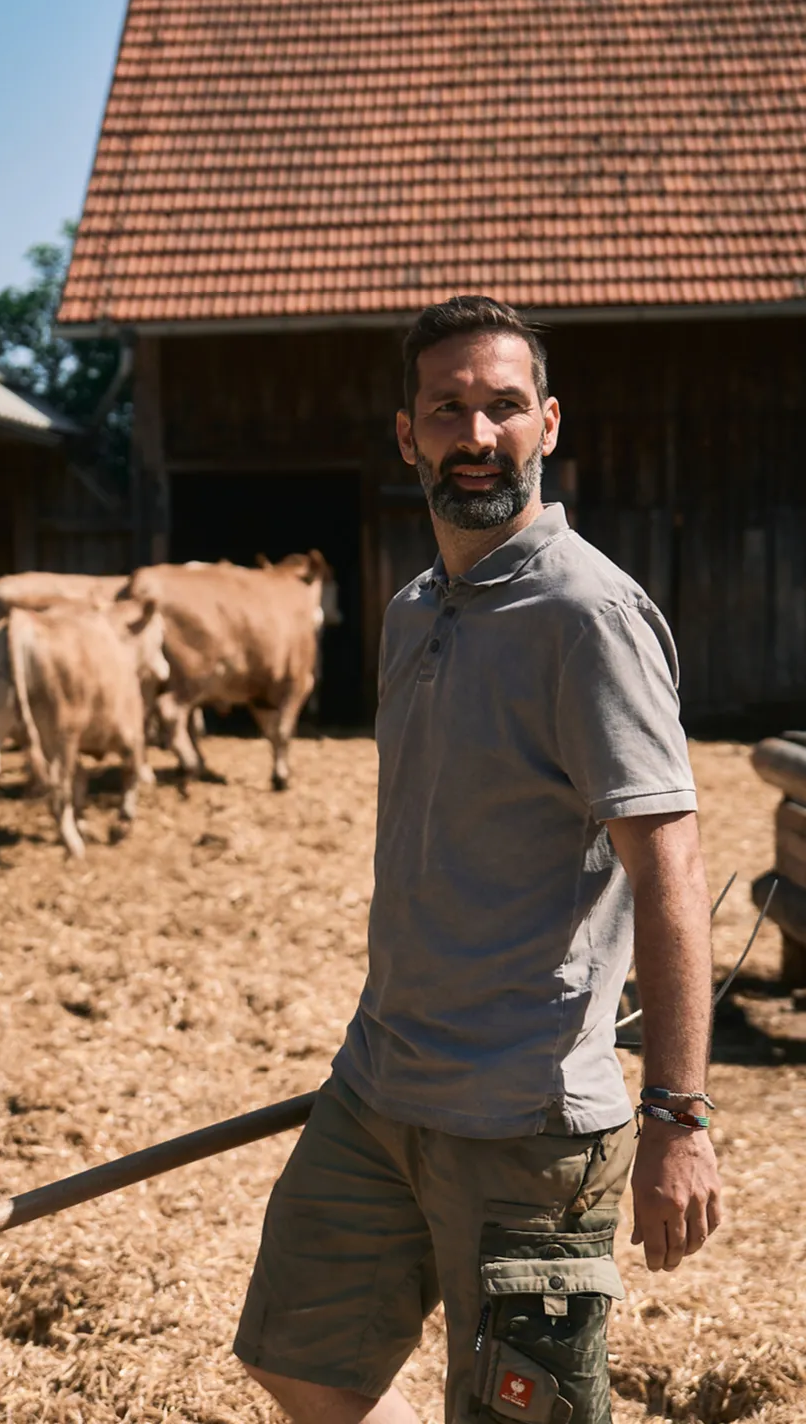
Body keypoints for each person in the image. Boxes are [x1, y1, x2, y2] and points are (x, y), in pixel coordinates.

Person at [234, 296, 721, 1424]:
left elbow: (673, 868)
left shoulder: (588, 615)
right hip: (378, 1089)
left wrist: (679, 1118)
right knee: (297, 1356)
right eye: (447, 406)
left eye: (503, 405)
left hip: (527, 1124)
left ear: (547, 424)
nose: (476, 431)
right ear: (406, 434)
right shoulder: (414, 611)